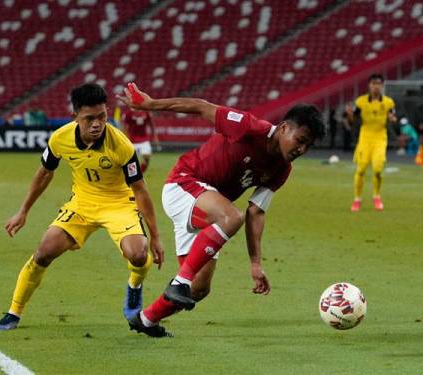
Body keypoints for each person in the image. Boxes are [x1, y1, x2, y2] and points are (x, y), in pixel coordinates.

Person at [117, 83, 325, 337]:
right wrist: (151, 105)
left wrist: (255, 264)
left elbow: (256, 212)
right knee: (230, 217)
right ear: (283, 128)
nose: (301, 149)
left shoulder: (282, 169)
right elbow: (201, 107)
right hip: (184, 183)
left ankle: (146, 320)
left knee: (200, 288)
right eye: (300, 140)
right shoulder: (249, 127)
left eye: (307, 146)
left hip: (208, 211)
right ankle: (179, 281)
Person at [0, 83, 164, 331]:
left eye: (102, 116)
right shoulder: (60, 138)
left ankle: (135, 286)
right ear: (75, 117)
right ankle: (14, 311)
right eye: (90, 119)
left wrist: (156, 237)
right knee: (44, 251)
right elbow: (44, 174)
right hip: (82, 204)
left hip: (119, 205)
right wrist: (23, 211)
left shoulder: (121, 145)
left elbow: (140, 189)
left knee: (138, 255)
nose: (97, 124)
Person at [345, 74, 397, 212]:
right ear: (369, 85)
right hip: (365, 138)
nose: (376, 86)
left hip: (380, 138)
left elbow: (393, 117)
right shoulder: (361, 101)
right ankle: (357, 199)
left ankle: (376, 196)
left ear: (382, 85)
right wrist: (349, 114)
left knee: (378, 169)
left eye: (378, 83)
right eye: (373, 83)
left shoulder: (388, 102)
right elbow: (353, 121)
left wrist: (392, 118)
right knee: (361, 170)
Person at [121, 108, 159, 172]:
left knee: (147, 157)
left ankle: (140, 173)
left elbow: (152, 124)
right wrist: (125, 138)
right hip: (132, 141)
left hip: (144, 140)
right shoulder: (128, 113)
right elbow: (124, 125)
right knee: (131, 161)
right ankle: (133, 176)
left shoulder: (146, 112)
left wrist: (155, 137)